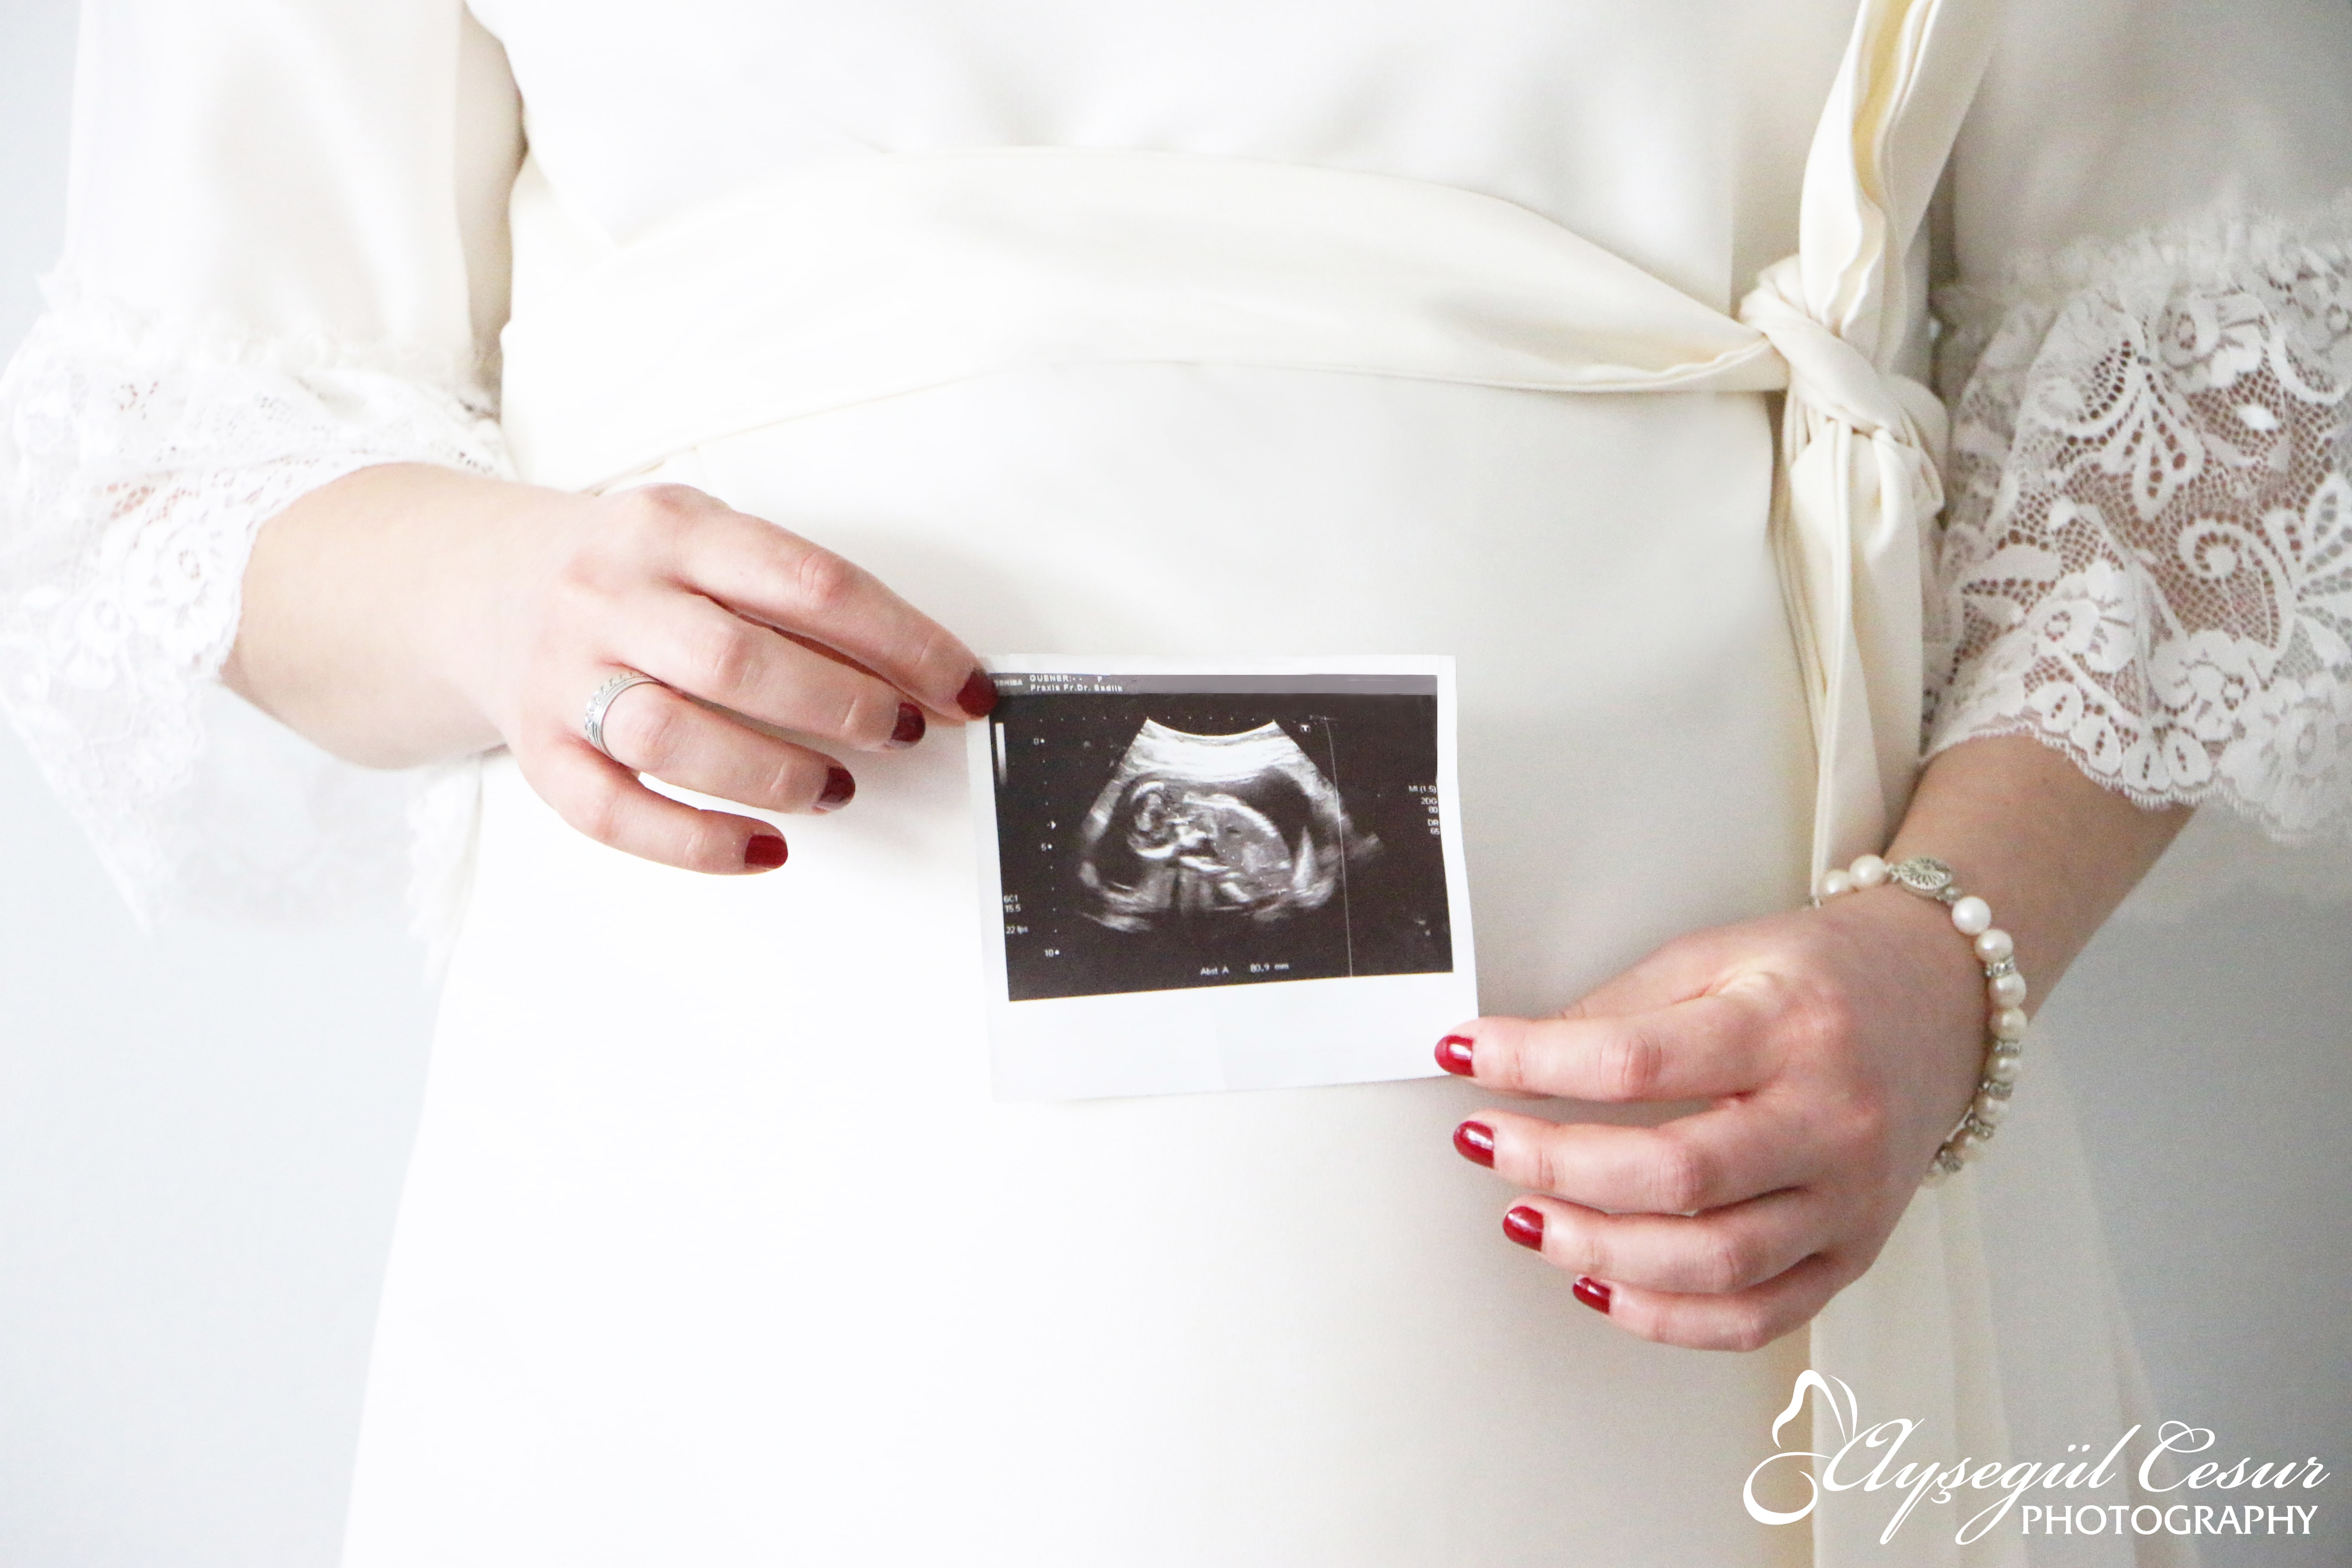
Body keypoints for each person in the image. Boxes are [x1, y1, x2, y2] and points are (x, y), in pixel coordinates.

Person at [2, 0, 2346, 1561]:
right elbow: (177, 469)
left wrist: (1945, 961)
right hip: (759, 1249)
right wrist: (506, 601)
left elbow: (2207, 398)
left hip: (1677, 1235)